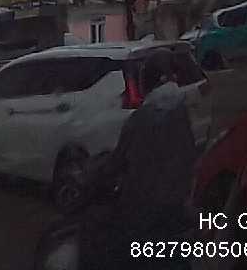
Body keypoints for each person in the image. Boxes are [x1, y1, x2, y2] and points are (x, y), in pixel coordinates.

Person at [78, 48, 198, 269]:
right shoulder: (182, 110)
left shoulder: (142, 118)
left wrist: (98, 173)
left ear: (147, 82)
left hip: (146, 208)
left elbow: (117, 162)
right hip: (180, 202)